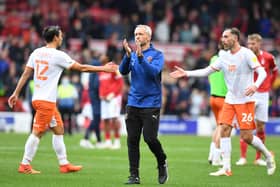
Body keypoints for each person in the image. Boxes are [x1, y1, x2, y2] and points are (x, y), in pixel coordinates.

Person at [8, 25, 118, 174]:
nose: (62, 37)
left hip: (40, 99)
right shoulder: (58, 55)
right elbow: (81, 68)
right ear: (55, 37)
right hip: (46, 101)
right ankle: (25, 164)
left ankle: (64, 164)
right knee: (37, 133)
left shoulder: (36, 52)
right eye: (60, 35)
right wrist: (103, 69)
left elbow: (26, 74)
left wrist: (15, 93)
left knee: (59, 129)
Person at [170, 28, 276, 176]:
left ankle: (268, 155)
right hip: (230, 99)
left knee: (246, 136)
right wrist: (186, 73)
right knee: (224, 129)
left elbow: (263, 72)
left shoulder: (246, 54)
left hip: (245, 101)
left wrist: (255, 85)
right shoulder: (224, 57)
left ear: (235, 38)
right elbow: (206, 71)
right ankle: (226, 168)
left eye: (226, 37)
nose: (223, 40)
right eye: (222, 37)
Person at [119, 24, 168, 184]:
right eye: (135, 34)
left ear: (148, 37)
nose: (137, 37)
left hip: (151, 103)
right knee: (132, 140)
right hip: (133, 102)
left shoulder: (157, 55)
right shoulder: (132, 54)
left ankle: (162, 161)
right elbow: (123, 71)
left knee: (150, 138)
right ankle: (134, 175)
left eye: (140, 34)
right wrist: (127, 56)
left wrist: (140, 58)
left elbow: (153, 72)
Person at [236, 33, 278, 166]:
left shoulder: (268, 57)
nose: (250, 46)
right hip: (249, 94)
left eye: (253, 44)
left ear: (259, 44)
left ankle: (258, 158)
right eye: (249, 43)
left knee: (260, 127)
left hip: (263, 95)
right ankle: (243, 157)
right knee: (245, 125)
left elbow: (274, 71)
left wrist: (269, 85)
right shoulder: (244, 56)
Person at [208, 41, 227, 166]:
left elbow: (209, 76)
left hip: (213, 97)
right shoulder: (228, 60)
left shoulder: (213, 58)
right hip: (223, 98)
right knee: (222, 128)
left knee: (217, 126)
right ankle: (216, 157)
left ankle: (211, 153)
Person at [99, 54, 124, 149]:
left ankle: (117, 141)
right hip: (104, 98)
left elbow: (120, 82)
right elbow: (102, 84)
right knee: (105, 119)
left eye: (103, 55)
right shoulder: (101, 69)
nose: (101, 58)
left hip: (114, 97)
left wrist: (113, 94)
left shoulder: (113, 67)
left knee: (114, 118)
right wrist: (101, 94)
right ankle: (108, 141)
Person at [80, 55, 103, 149]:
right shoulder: (96, 74)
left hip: (93, 97)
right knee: (97, 118)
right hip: (97, 98)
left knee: (96, 118)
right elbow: (97, 85)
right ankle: (85, 138)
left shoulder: (91, 74)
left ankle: (98, 141)